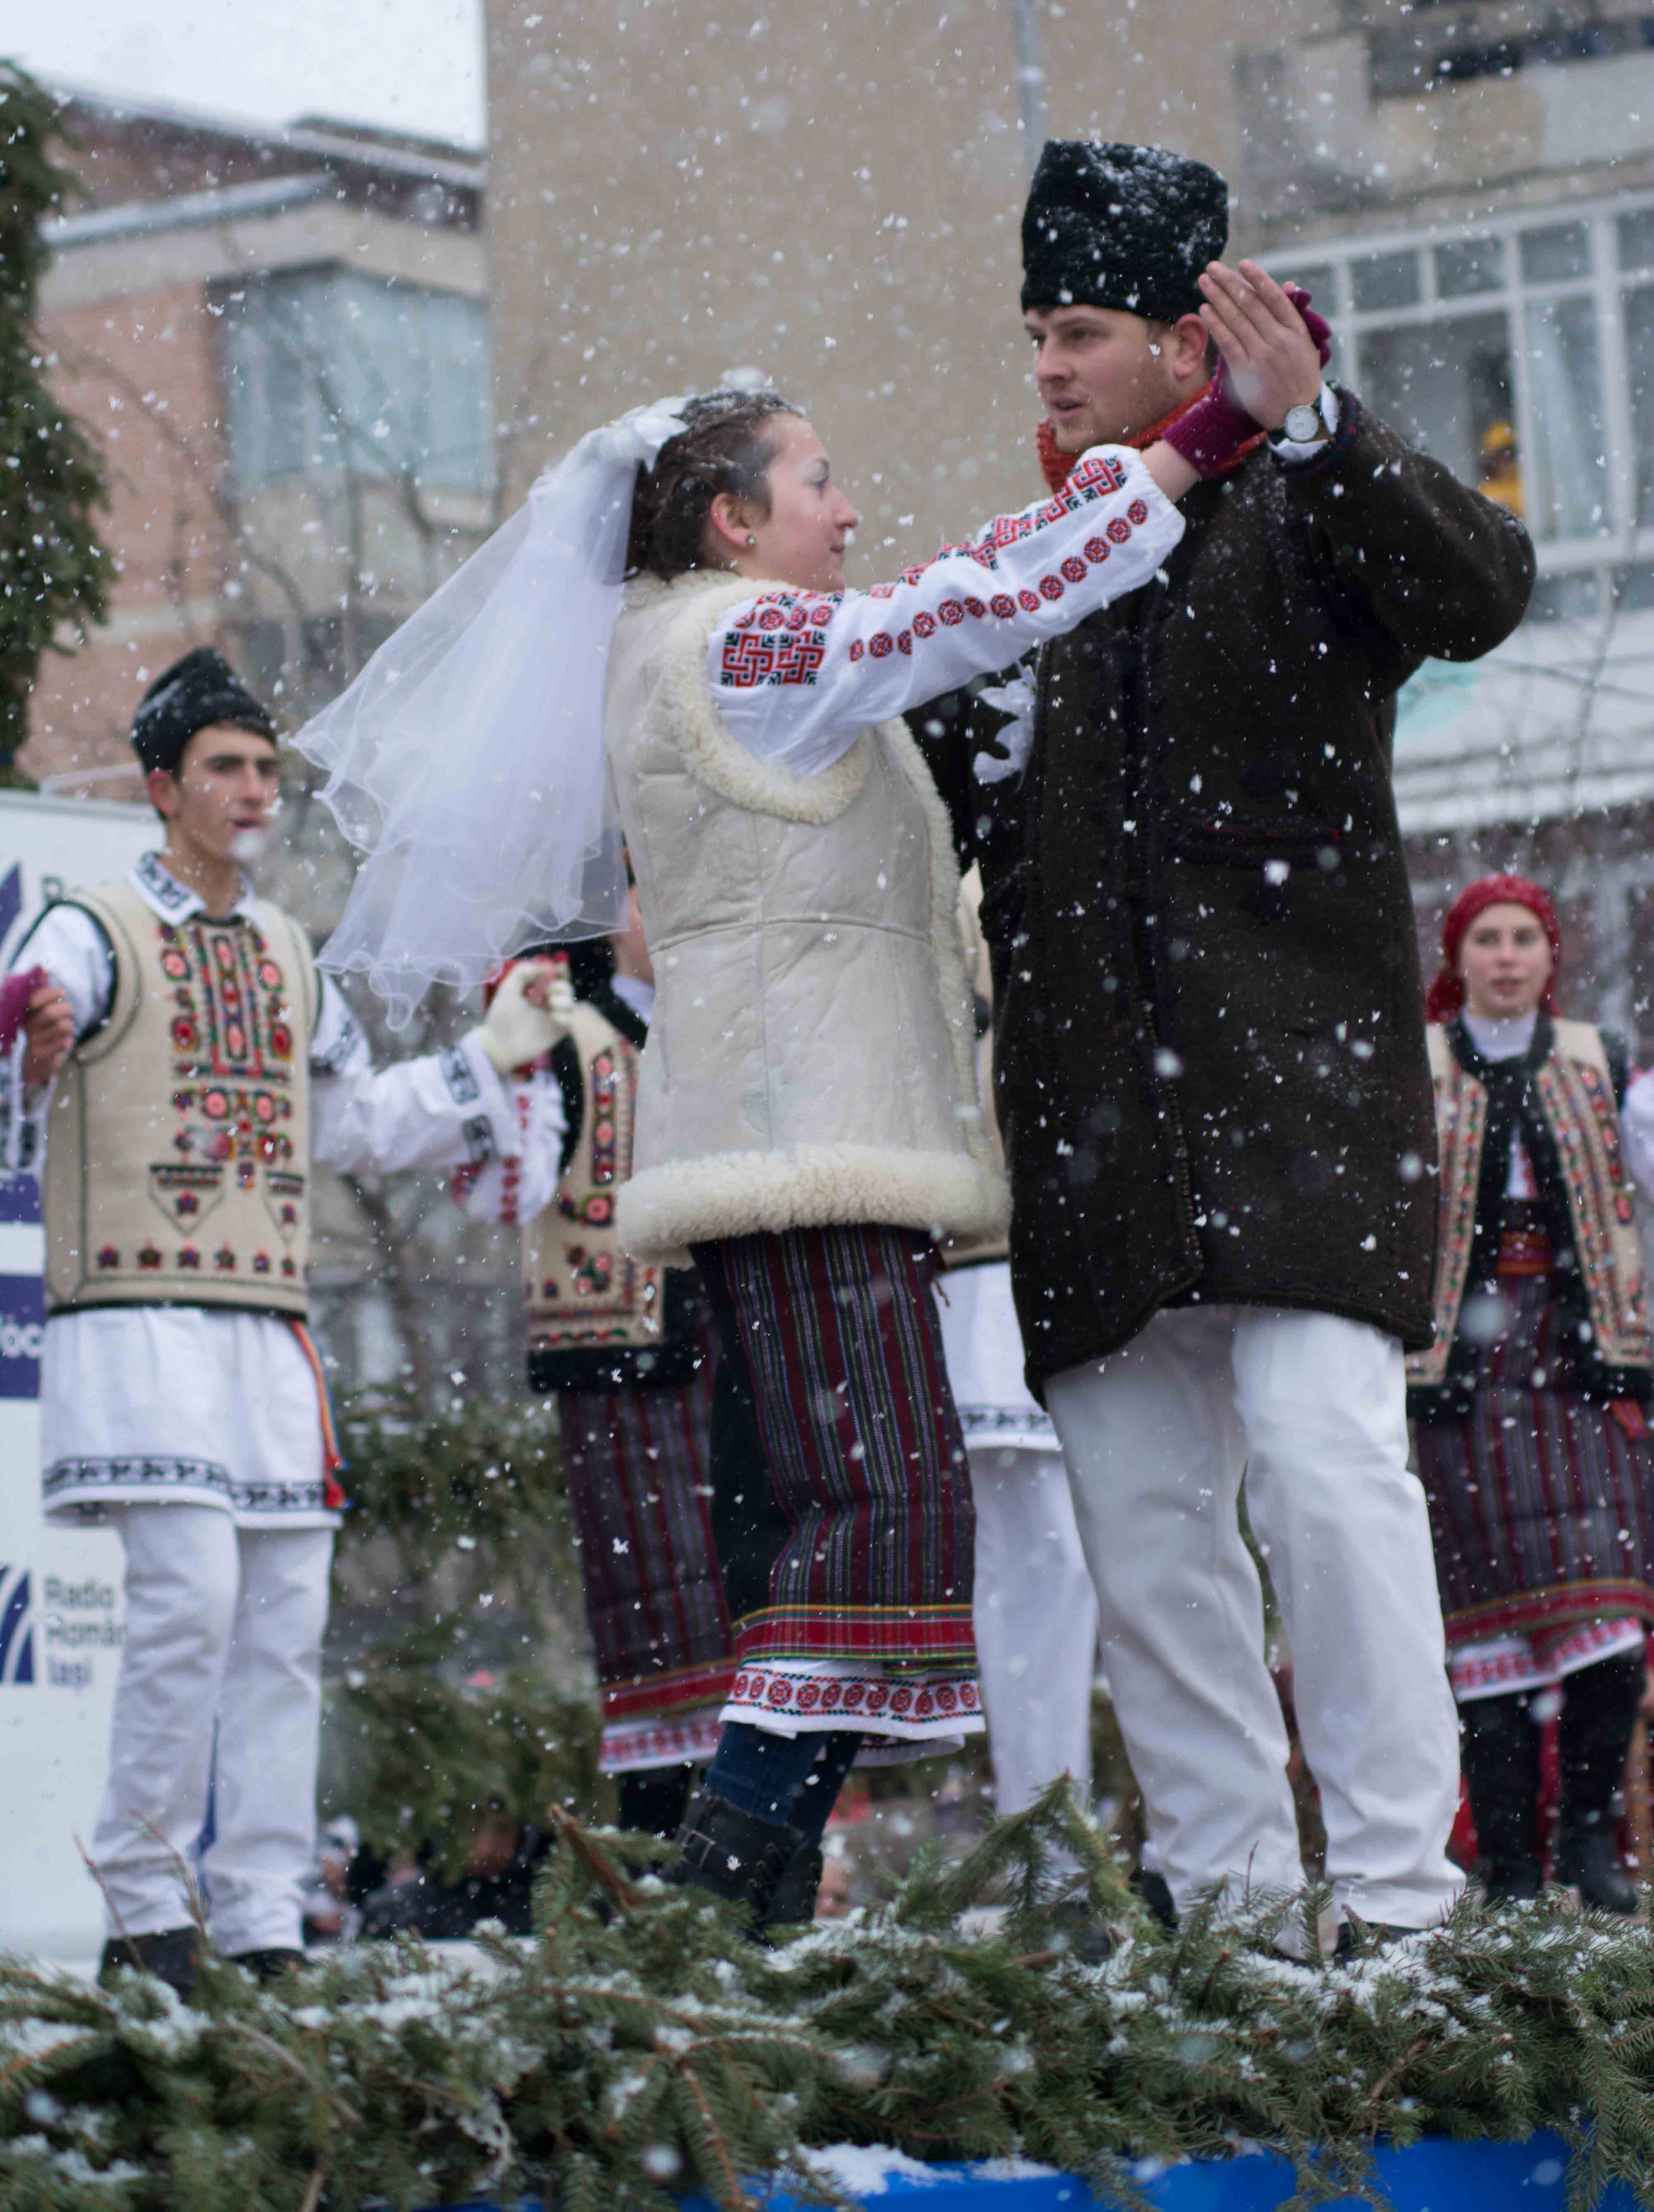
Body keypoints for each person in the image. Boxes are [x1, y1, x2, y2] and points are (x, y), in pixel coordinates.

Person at [298, 340, 1284, 1928]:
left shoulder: (698, 643)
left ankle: (734, 1899)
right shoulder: (734, 642)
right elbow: (957, 607)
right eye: (816, 481)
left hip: (799, 1138)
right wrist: (1201, 438)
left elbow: (946, 606)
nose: (847, 509)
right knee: (877, 1511)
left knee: (877, 1512)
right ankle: (722, 1884)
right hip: (801, 1144)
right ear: (730, 520)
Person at [919, 139, 1535, 1947]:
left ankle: (1402, 1908)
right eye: (1035, 330)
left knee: (1327, 1470)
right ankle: (1233, 1926)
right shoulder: (1025, 573)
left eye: (1079, 329)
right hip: (1091, 1140)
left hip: (1302, 1117)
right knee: (1144, 1541)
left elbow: (1478, 590)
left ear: (1190, 343)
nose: (1045, 365)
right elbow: (907, 804)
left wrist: (1320, 424)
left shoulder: (1306, 506)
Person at [0, 648, 571, 1999]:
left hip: (267, 1329)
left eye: (266, 768)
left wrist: (487, 1059)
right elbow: (23, 1051)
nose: (256, 789)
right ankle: (145, 1907)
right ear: (163, 788)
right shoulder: (87, 927)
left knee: (282, 1623)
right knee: (190, 1605)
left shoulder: (288, 955)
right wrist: (32, 1047)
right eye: (226, 767)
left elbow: (353, 1124)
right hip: (138, 1314)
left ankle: (260, 1916)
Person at [457, 886, 736, 1842]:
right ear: (613, 912)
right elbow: (504, 1189)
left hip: (729, 1349)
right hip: (615, 1354)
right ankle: (662, 1844)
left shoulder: (724, 1024)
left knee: (747, 1596)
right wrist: (512, 1057)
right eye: (646, 894)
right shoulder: (563, 1027)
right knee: (653, 1613)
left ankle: (748, 1837)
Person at [1410, 875, 1654, 1915]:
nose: (1505, 956)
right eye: (1486, 939)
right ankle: (1508, 1868)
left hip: (1581, 1361)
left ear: (1550, 955)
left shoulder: (1604, 1064)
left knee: (1613, 1622)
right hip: (1457, 1376)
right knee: (1484, 1637)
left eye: (1522, 938)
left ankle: (1586, 1844)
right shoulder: (1416, 1069)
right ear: (1457, 958)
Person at [936, 884, 1097, 1819]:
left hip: (1070, 1250)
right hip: (982, 1262)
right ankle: (1045, 1823)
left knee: (1060, 1557)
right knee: (1037, 1557)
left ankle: (1056, 1824)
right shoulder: (948, 882)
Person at [1477, 419, 1525, 521]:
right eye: (1501, 456)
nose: (1506, 461)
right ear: (1492, 461)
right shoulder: (1486, 492)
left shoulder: (1529, 483)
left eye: (1511, 455)